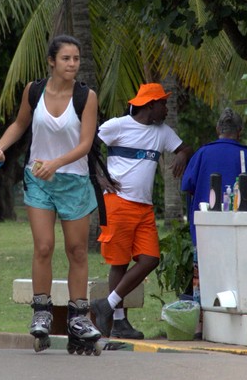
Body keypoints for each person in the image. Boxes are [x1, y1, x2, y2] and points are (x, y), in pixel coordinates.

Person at [0, 34, 102, 354]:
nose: (72, 64)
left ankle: (78, 318)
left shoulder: (86, 97)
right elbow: (19, 124)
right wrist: (0, 146)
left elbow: (85, 144)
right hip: (39, 179)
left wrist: (57, 163)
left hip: (74, 181)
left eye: (76, 59)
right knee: (43, 246)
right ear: (51, 61)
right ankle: (42, 312)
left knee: (77, 250)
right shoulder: (34, 90)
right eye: (66, 59)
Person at [90, 83, 193, 339]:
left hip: (144, 207)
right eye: (163, 104)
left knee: (150, 259)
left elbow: (184, 148)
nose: (167, 108)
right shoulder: (118, 125)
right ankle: (119, 321)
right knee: (119, 262)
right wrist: (97, 177)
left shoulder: (162, 131)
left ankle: (108, 304)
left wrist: (182, 155)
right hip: (117, 202)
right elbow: (85, 146)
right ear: (150, 106)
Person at [180, 107, 247, 338]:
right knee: (233, 273)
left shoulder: (201, 154)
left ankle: (201, 326)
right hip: (236, 230)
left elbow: (187, 185)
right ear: (239, 132)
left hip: (203, 230)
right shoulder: (245, 156)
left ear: (217, 129)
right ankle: (231, 326)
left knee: (202, 275)